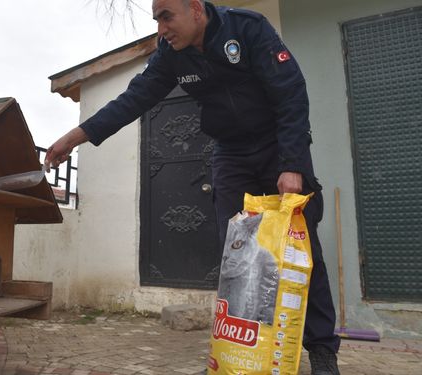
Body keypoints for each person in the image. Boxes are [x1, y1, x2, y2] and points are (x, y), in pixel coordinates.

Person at [44, 0, 340, 373]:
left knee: (302, 249)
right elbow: (132, 100)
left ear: (196, 9)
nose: (161, 29)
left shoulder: (248, 29)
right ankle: (238, 355)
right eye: (156, 20)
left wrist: (292, 164)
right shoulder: (170, 54)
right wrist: (74, 138)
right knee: (237, 258)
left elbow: (291, 92)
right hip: (231, 153)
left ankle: (323, 352)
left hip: (278, 146)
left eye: (167, 17)